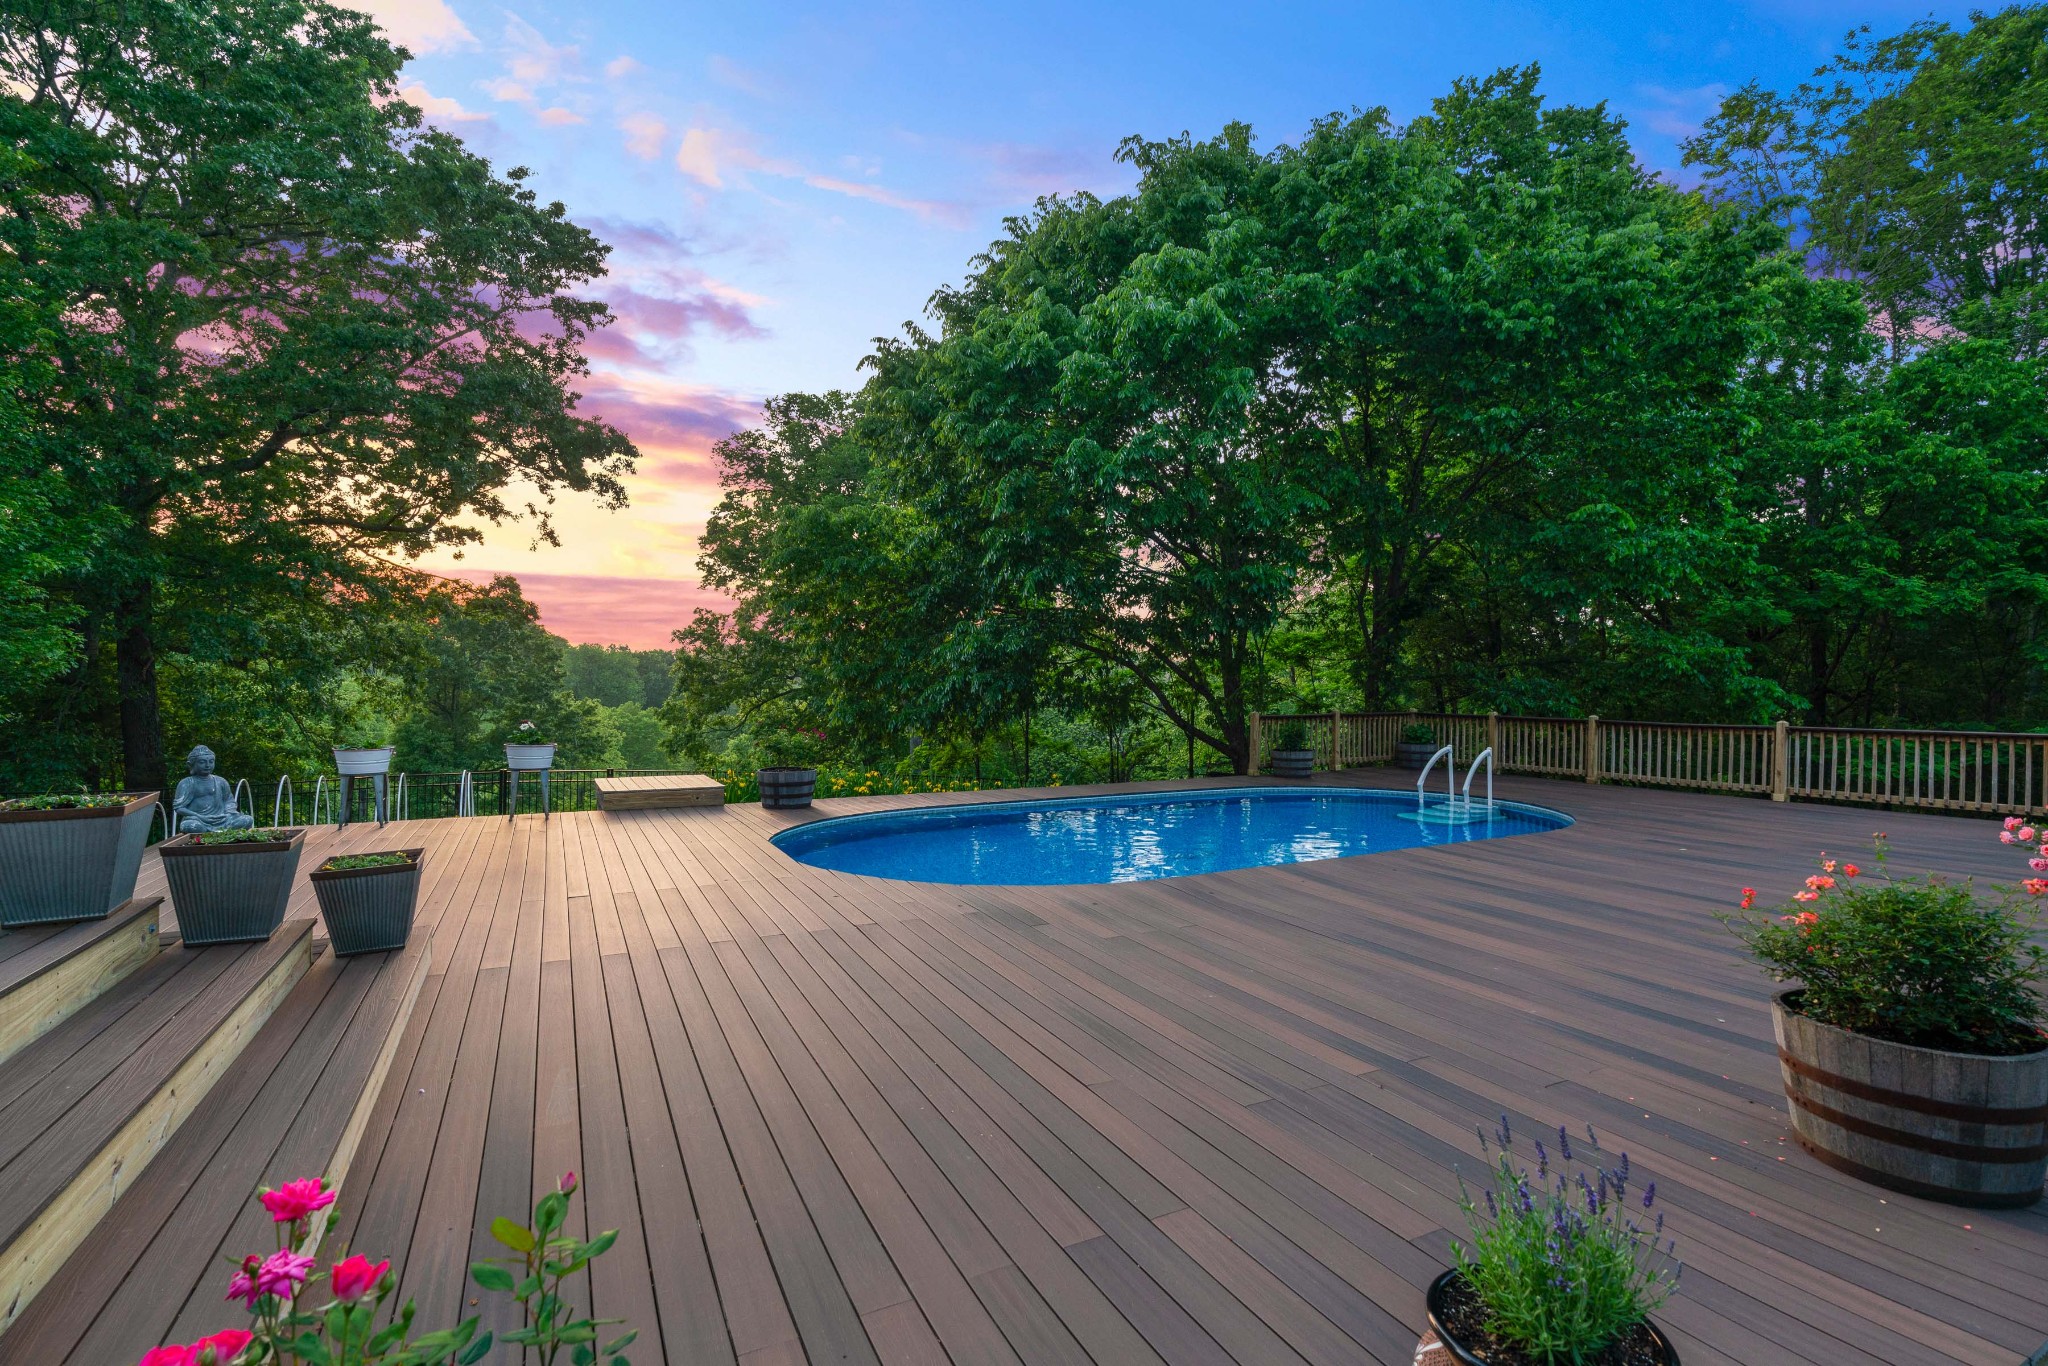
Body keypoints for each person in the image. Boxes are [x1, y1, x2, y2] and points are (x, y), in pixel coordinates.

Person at [172, 745, 254, 833]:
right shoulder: (186, 783)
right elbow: (179, 808)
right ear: (191, 764)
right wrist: (199, 816)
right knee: (190, 826)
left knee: (247, 819)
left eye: (211, 762)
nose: (207, 765)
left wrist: (228, 813)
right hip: (198, 820)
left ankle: (220, 831)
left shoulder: (221, 781)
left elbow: (229, 801)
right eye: (202, 762)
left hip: (222, 819)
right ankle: (215, 832)